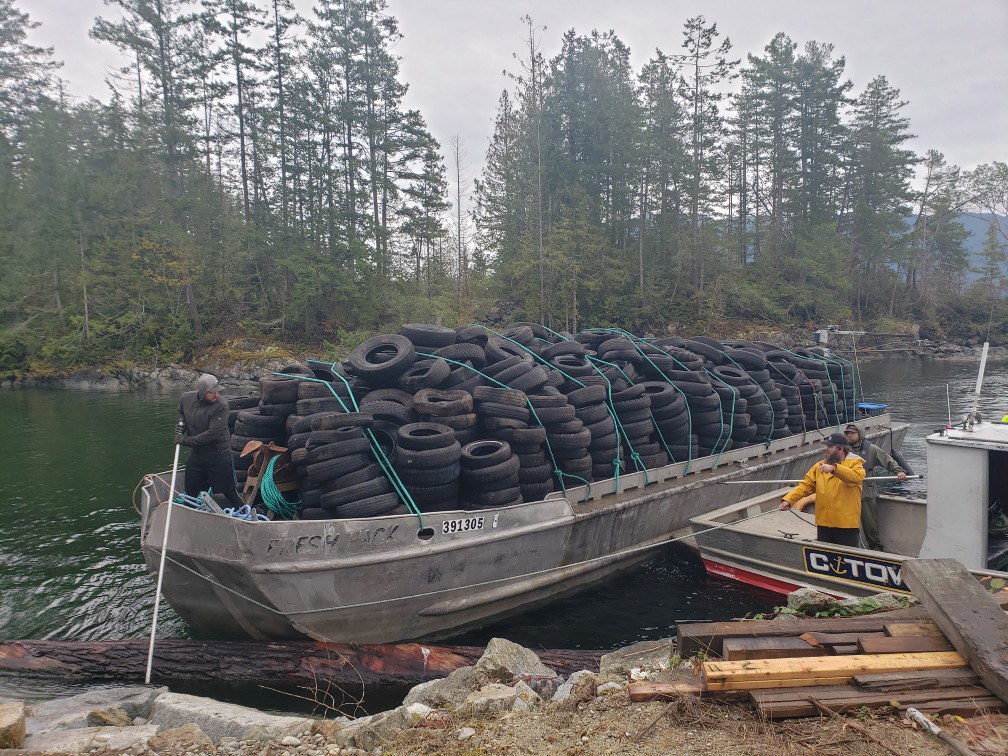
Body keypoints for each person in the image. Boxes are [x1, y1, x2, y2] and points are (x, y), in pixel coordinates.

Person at [779, 432, 866, 547]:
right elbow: (805, 485)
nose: (827, 449)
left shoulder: (855, 464)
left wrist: (834, 469)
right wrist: (788, 500)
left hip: (845, 525)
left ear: (840, 449)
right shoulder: (819, 465)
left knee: (847, 559)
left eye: (830, 446)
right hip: (824, 524)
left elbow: (857, 477)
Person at [175, 373, 245, 508]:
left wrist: (186, 441)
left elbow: (212, 434)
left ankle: (243, 515)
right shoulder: (186, 398)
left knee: (228, 491)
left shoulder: (221, 406)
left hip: (218, 456)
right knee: (191, 491)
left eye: (217, 392)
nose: (216, 395)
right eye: (212, 392)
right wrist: (180, 426)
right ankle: (189, 515)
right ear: (201, 391)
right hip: (197, 455)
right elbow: (181, 413)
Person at [844, 422, 906, 551]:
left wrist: (899, 471)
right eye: (847, 433)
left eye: (852, 433)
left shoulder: (872, 449)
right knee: (847, 525)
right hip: (847, 494)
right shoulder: (843, 450)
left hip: (866, 493)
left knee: (870, 525)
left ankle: (875, 548)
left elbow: (888, 460)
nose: (849, 435)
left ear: (860, 434)